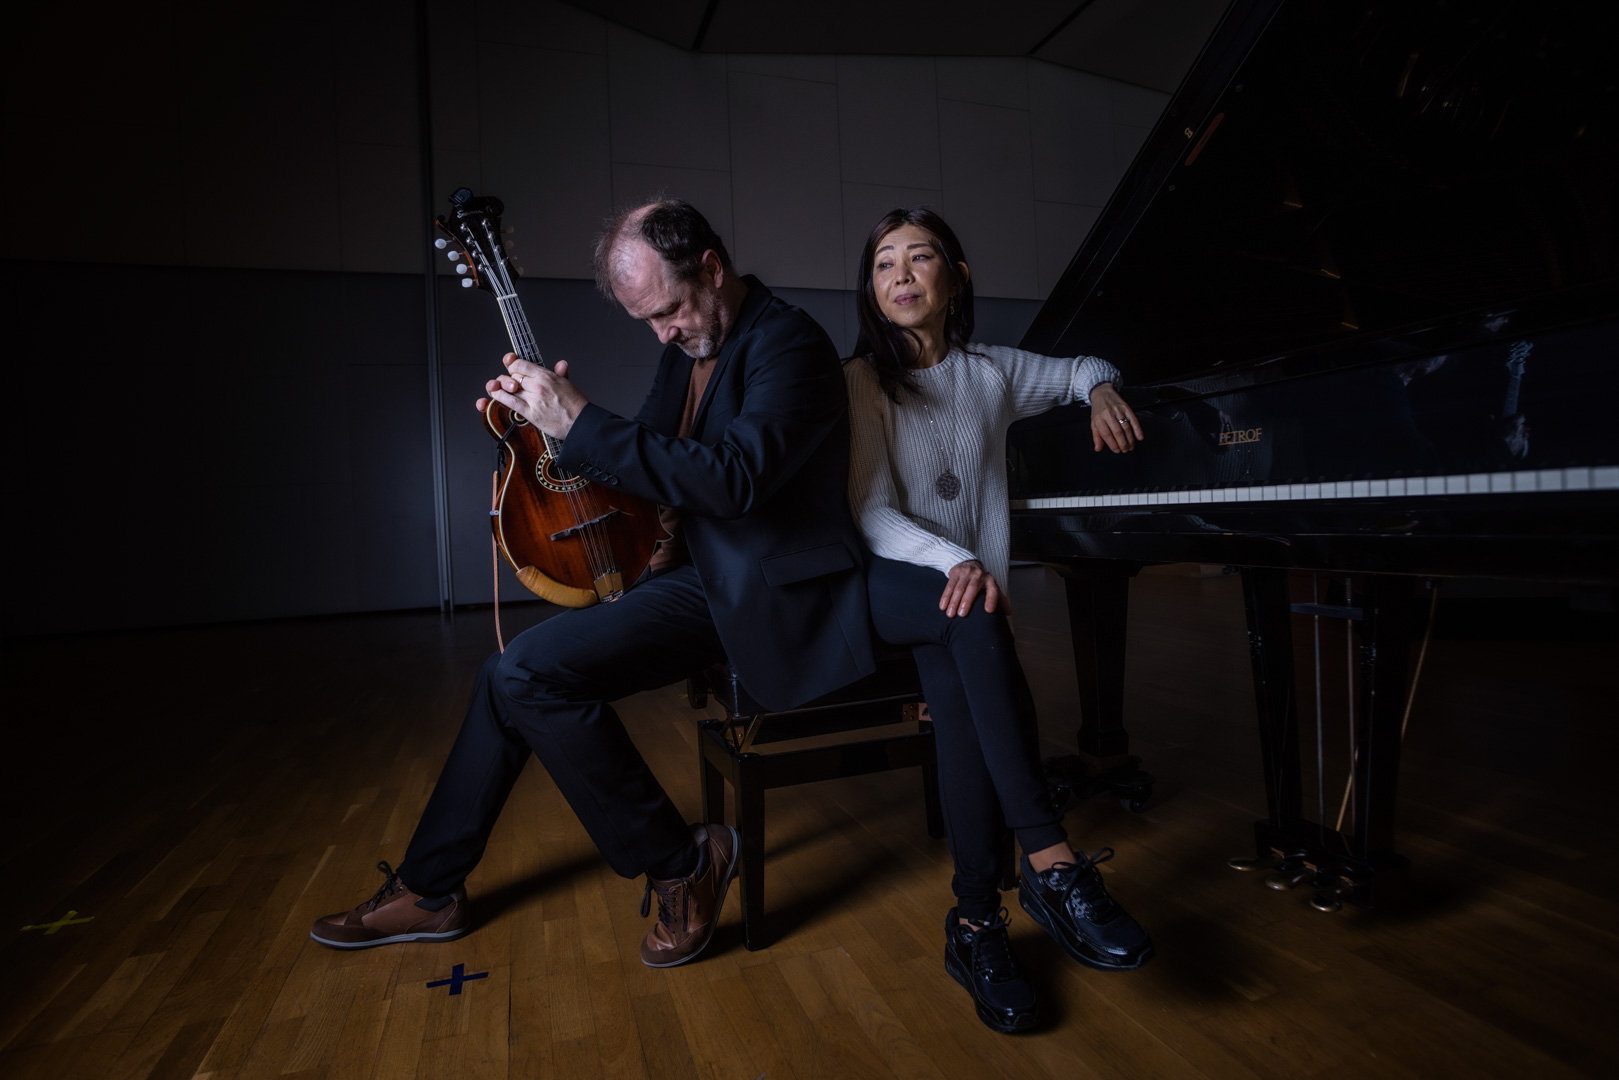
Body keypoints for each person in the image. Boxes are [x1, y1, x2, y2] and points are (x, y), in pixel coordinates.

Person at [310, 199, 874, 967]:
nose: (662, 334)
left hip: (764, 590)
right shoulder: (687, 344)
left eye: (667, 311)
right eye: (647, 322)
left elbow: (735, 479)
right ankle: (431, 889)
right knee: (508, 675)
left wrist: (581, 421)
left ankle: (682, 863)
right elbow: (644, 460)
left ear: (712, 268)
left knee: (526, 674)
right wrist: (536, 430)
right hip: (693, 576)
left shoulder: (789, 343)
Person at [845, 207, 1152, 1032]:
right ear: (870, 289)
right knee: (974, 622)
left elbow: (1085, 363)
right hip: (889, 582)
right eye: (884, 263)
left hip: (966, 602)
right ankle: (1051, 863)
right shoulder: (862, 380)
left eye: (920, 258)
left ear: (956, 278)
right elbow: (870, 512)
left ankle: (977, 924)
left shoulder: (992, 372)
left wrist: (1099, 390)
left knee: (961, 705)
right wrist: (956, 560)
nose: (901, 275)